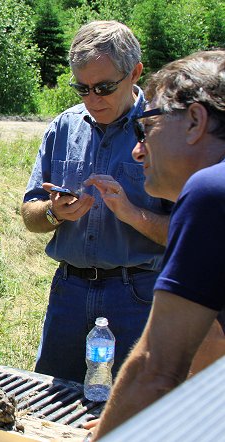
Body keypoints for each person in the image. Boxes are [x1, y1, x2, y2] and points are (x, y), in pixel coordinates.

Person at [21, 21, 172, 383]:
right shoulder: (64, 126)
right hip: (69, 292)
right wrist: (55, 213)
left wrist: (131, 214)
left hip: (136, 294)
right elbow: (30, 214)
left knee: (132, 405)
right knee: (53, 400)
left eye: (104, 87)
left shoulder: (166, 130)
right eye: (82, 88)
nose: (92, 99)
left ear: (135, 72)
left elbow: (189, 234)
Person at [93, 49, 225, 439]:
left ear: (195, 121)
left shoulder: (210, 191)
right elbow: (213, 339)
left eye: (145, 128)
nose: (137, 149)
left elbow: (156, 368)